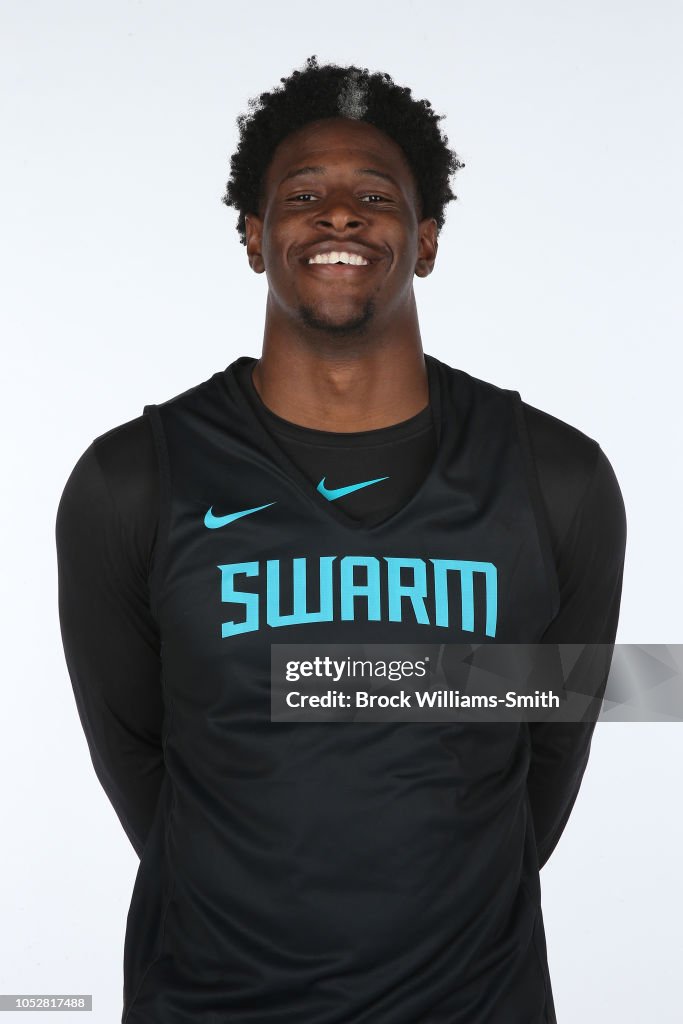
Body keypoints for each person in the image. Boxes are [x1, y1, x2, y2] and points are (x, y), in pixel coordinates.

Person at [55, 55, 627, 1024]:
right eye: (301, 195)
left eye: (373, 195)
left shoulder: (557, 478)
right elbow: (141, 762)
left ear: (426, 239)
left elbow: (543, 768)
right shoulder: (132, 480)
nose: (337, 216)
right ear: (253, 235)